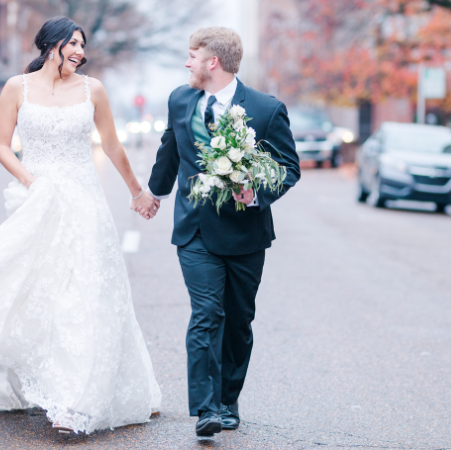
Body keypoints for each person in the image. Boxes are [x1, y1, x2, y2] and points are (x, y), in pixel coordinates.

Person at [0, 17, 161, 435]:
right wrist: (31, 181)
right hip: (38, 201)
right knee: (31, 291)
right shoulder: (16, 88)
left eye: (83, 45)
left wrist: (138, 192)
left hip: (84, 203)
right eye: (73, 44)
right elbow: (2, 146)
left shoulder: (92, 89)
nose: (79, 52)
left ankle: (73, 403)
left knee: (82, 297)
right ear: (50, 45)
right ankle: (34, 382)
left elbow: (112, 145)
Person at [134, 27, 300, 437]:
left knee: (239, 321)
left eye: (192, 55)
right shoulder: (180, 99)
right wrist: (154, 192)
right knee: (207, 314)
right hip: (195, 231)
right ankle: (206, 408)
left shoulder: (264, 109)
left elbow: (289, 168)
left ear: (213, 62)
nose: (186, 63)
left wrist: (256, 193)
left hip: (245, 234)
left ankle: (228, 399)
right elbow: (170, 151)